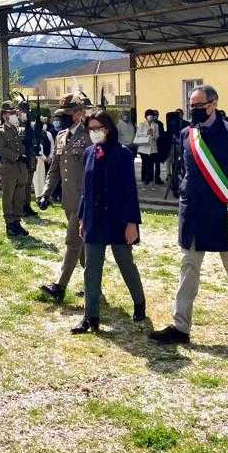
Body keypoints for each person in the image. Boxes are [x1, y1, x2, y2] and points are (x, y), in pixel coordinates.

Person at [150, 85, 228, 345]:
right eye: (191, 106)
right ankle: (181, 326)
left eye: (199, 106)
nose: (194, 110)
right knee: (188, 267)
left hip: (224, 213)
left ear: (214, 104)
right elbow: (187, 171)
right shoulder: (187, 134)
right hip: (194, 214)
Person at [72, 109, 146, 334]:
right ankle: (90, 317)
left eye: (99, 128)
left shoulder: (122, 154)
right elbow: (85, 190)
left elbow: (129, 191)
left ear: (108, 129)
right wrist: (82, 218)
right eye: (91, 129)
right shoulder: (88, 153)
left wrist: (132, 222)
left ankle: (139, 302)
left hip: (118, 219)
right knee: (92, 268)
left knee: (125, 262)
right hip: (94, 220)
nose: (94, 133)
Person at [38, 95, 90, 302]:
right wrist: (45, 193)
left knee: (73, 241)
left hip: (84, 202)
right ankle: (93, 284)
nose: (62, 119)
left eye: (66, 115)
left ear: (78, 114)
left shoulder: (89, 137)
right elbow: (55, 170)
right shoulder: (61, 136)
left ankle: (60, 287)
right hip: (68, 201)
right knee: (84, 245)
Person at [0, 101, 29, 237]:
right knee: (8, 196)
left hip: (20, 169)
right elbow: (0, 148)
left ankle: (17, 221)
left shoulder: (16, 129)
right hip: (9, 167)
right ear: (4, 116)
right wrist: (17, 156)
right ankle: (9, 223)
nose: (14, 115)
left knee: (19, 196)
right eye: (11, 113)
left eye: (15, 113)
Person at [134, 109, 163, 184]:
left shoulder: (156, 125)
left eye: (151, 115)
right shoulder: (141, 124)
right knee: (145, 164)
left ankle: (150, 178)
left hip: (153, 147)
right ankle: (144, 179)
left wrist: (152, 135)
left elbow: (157, 136)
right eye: (148, 115)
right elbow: (138, 135)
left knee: (150, 164)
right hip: (144, 147)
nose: (150, 117)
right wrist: (147, 133)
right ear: (146, 116)